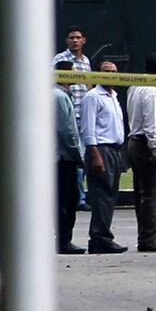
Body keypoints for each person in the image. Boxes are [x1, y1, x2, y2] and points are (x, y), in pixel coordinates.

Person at [79, 61, 127, 254]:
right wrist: (95, 154)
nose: (111, 75)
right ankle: (100, 237)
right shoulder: (93, 97)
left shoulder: (114, 97)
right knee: (101, 196)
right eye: (106, 72)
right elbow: (88, 129)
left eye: (114, 72)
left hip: (114, 150)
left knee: (110, 196)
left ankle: (102, 235)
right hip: (101, 150)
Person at [126, 53, 156, 253]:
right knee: (152, 195)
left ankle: (144, 235)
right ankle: (148, 238)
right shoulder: (152, 93)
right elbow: (151, 126)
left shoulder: (135, 86)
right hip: (148, 144)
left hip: (135, 142)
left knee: (141, 194)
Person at [53, 26, 92, 212]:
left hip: (83, 114)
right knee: (72, 155)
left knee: (82, 156)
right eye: (71, 38)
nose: (75, 41)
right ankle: (78, 197)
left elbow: (89, 86)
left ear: (84, 40)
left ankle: (79, 195)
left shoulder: (85, 61)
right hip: (66, 113)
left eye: (78, 37)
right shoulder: (59, 60)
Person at [54, 61, 85, 255]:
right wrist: (78, 154)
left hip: (60, 156)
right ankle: (64, 240)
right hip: (63, 158)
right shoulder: (59, 97)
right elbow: (67, 130)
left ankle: (64, 238)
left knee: (65, 199)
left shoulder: (61, 95)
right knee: (66, 200)